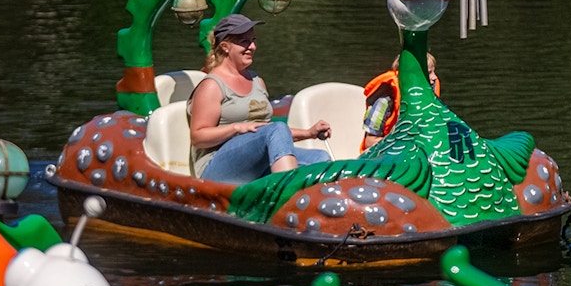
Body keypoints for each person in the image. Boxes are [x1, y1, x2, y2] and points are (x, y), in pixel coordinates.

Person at [187, 14, 332, 183]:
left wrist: (309, 133)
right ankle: (286, 194)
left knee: (320, 158)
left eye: (253, 40)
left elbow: (270, 133)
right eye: (244, 42)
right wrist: (236, 128)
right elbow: (198, 137)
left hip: (254, 162)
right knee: (276, 129)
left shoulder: (257, 82)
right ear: (225, 47)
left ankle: (306, 201)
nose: (252, 46)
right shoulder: (212, 85)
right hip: (216, 166)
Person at [360, 53, 440, 151]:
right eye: (429, 72)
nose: (434, 77)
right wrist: (402, 143)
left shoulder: (428, 99)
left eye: (434, 71)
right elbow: (369, 142)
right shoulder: (384, 101)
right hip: (382, 158)